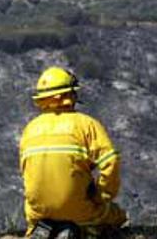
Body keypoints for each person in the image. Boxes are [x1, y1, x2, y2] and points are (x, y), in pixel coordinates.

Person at [20, 67, 127, 239]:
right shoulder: (86, 124)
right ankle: (79, 231)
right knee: (116, 215)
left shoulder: (29, 129)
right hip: (79, 209)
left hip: (38, 211)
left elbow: (26, 173)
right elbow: (110, 161)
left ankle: (43, 228)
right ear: (68, 95)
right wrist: (102, 194)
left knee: (42, 213)